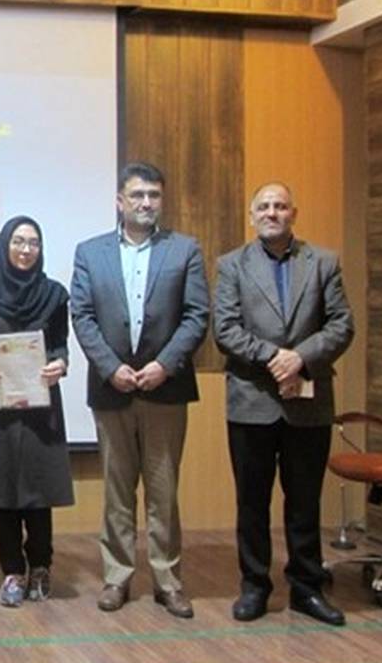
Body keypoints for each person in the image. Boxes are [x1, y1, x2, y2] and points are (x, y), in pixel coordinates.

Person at [70, 162, 208, 619]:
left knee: (163, 491)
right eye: (137, 195)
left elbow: (196, 315)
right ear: (119, 201)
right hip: (112, 390)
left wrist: (164, 365)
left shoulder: (184, 249)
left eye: (153, 195)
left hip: (165, 389)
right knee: (117, 490)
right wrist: (111, 368)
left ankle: (168, 580)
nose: (146, 203)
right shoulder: (90, 252)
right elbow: (82, 316)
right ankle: (117, 577)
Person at [214, 182, 354, 626]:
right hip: (251, 400)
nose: (272, 212)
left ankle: (307, 589)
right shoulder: (232, 265)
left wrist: (301, 358)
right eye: (264, 206)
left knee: (305, 501)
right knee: (252, 502)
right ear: (252, 215)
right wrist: (276, 358)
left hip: (308, 404)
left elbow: (342, 325)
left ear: (294, 213)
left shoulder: (324, 262)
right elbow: (226, 329)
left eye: (280, 206)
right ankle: (255, 586)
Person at [0, 216, 75, 607]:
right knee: (4, 488)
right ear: (5, 245)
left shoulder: (55, 294)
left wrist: (60, 363)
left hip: (41, 401)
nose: (26, 249)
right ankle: (13, 570)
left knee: (39, 488)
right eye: (18, 241)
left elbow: (61, 344)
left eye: (33, 242)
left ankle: (42, 565)